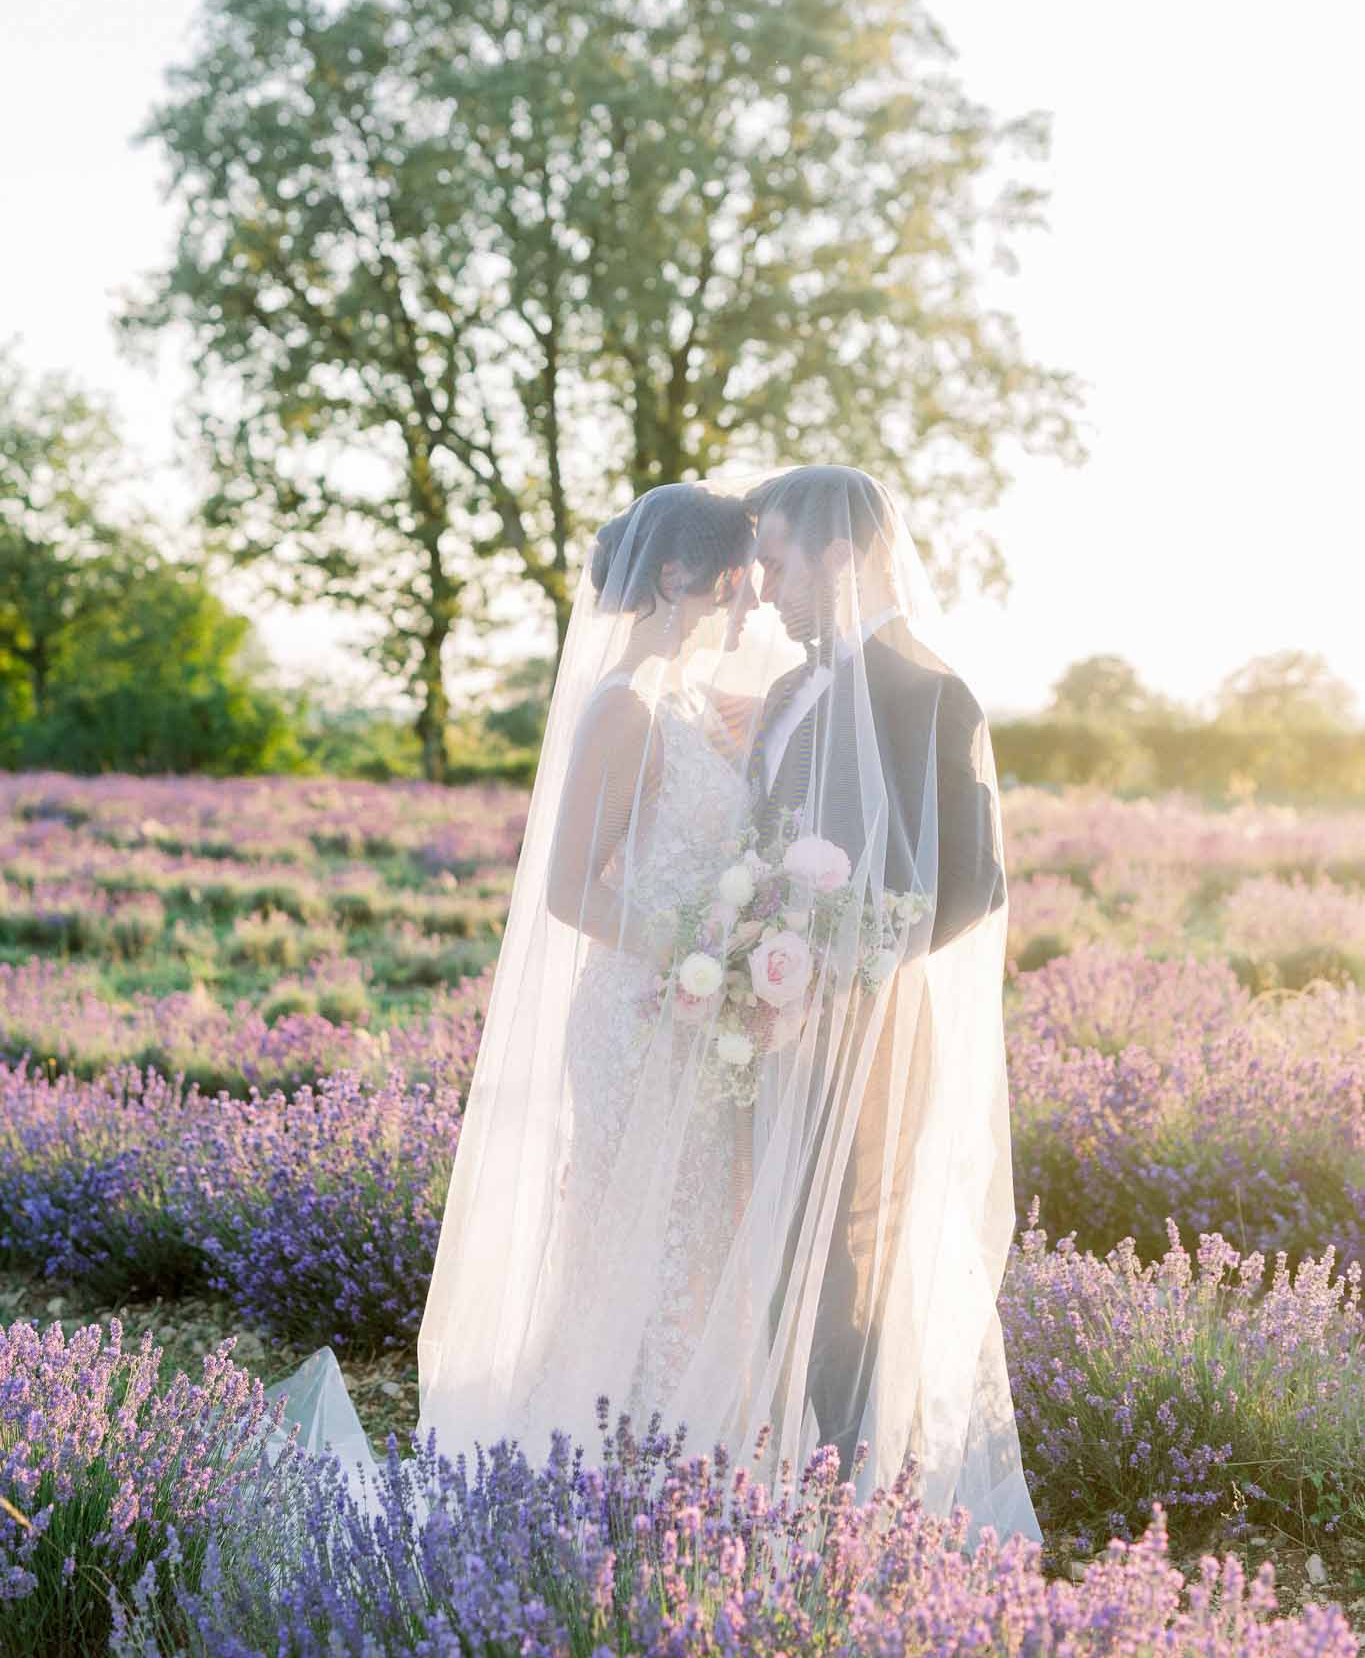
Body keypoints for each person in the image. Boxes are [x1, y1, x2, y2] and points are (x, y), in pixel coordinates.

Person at [265, 465, 1041, 1552]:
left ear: (842, 551)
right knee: (699, 1255)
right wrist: (726, 955)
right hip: (696, 1017)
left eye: (773, 561)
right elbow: (643, 863)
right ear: (681, 574)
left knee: (829, 1266)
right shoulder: (723, 697)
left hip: (819, 1030)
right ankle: (660, 1490)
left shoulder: (915, 690)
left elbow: (969, 882)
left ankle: (828, 1510)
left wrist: (825, 963)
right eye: (743, 566)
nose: (759, 590)